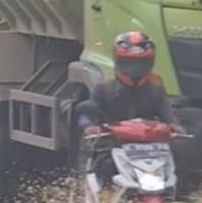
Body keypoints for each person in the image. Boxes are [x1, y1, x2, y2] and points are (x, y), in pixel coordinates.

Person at [76, 31, 179, 183]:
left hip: (150, 149)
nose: (134, 69)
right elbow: (87, 112)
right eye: (129, 63)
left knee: (178, 166)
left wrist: (175, 127)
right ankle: (106, 202)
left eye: (140, 64)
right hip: (112, 145)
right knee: (106, 167)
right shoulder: (105, 89)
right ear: (118, 62)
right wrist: (89, 126)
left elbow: (167, 114)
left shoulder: (156, 89)